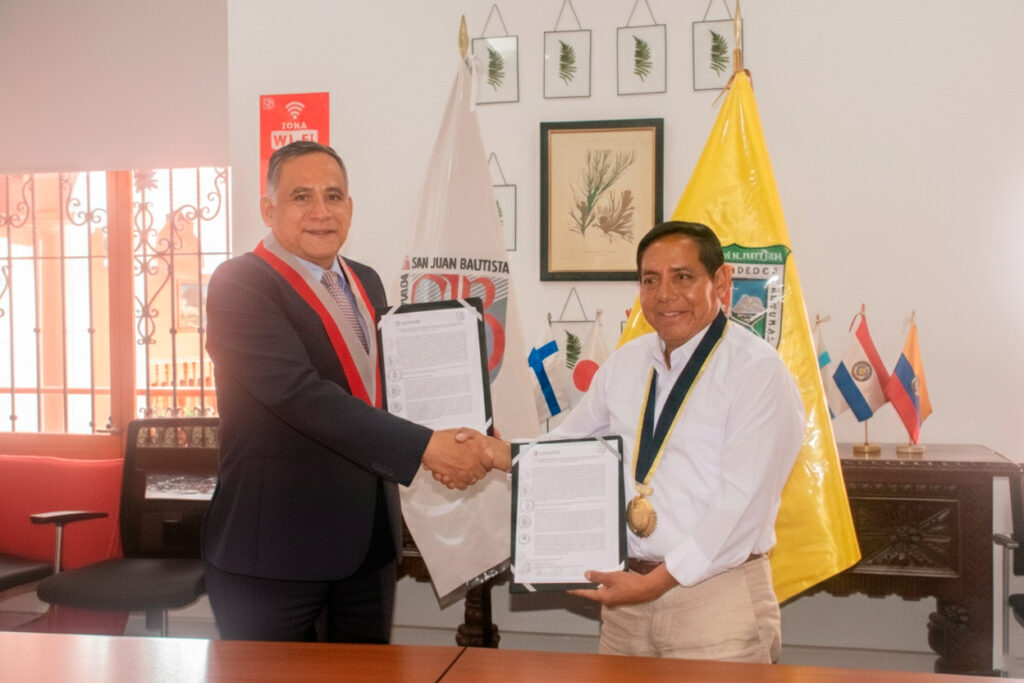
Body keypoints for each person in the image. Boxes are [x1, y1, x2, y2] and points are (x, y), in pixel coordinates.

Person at [202, 140, 505, 643]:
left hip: (367, 546)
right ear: (268, 209)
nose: (321, 212)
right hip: (274, 550)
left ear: (350, 206)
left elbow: (390, 388)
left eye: (333, 196)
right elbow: (299, 395)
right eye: (301, 196)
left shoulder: (365, 281)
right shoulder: (240, 284)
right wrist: (427, 447)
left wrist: (467, 426)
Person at [551, 221, 805, 662]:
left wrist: (653, 584)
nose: (664, 294)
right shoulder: (625, 364)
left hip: (716, 605)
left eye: (682, 277)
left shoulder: (757, 372)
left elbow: (738, 505)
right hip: (626, 606)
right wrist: (489, 451)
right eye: (650, 280)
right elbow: (563, 449)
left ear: (720, 282)